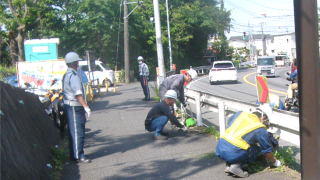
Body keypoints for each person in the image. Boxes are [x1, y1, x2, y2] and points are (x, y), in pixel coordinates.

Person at [215, 104, 281, 178]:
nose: (265, 123)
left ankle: (229, 164)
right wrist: (275, 162)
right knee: (256, 149)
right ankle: (237, 165)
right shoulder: (260, 128)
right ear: (263, 117)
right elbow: (267, 151)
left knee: (237, 146)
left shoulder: (240, 113)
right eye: (266, 121)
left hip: (220, 148)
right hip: (233, 153)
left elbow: (229, 121)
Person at [63, 52, 92, 163]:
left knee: (76, 131)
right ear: (75, 62)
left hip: (73, 106)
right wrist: (85, 106)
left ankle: (76, 154)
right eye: (77, 61)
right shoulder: (73, 76)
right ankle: (78, 155)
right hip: (74, 107)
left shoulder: (68, 74)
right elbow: (78, 93)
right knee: (77, 132)